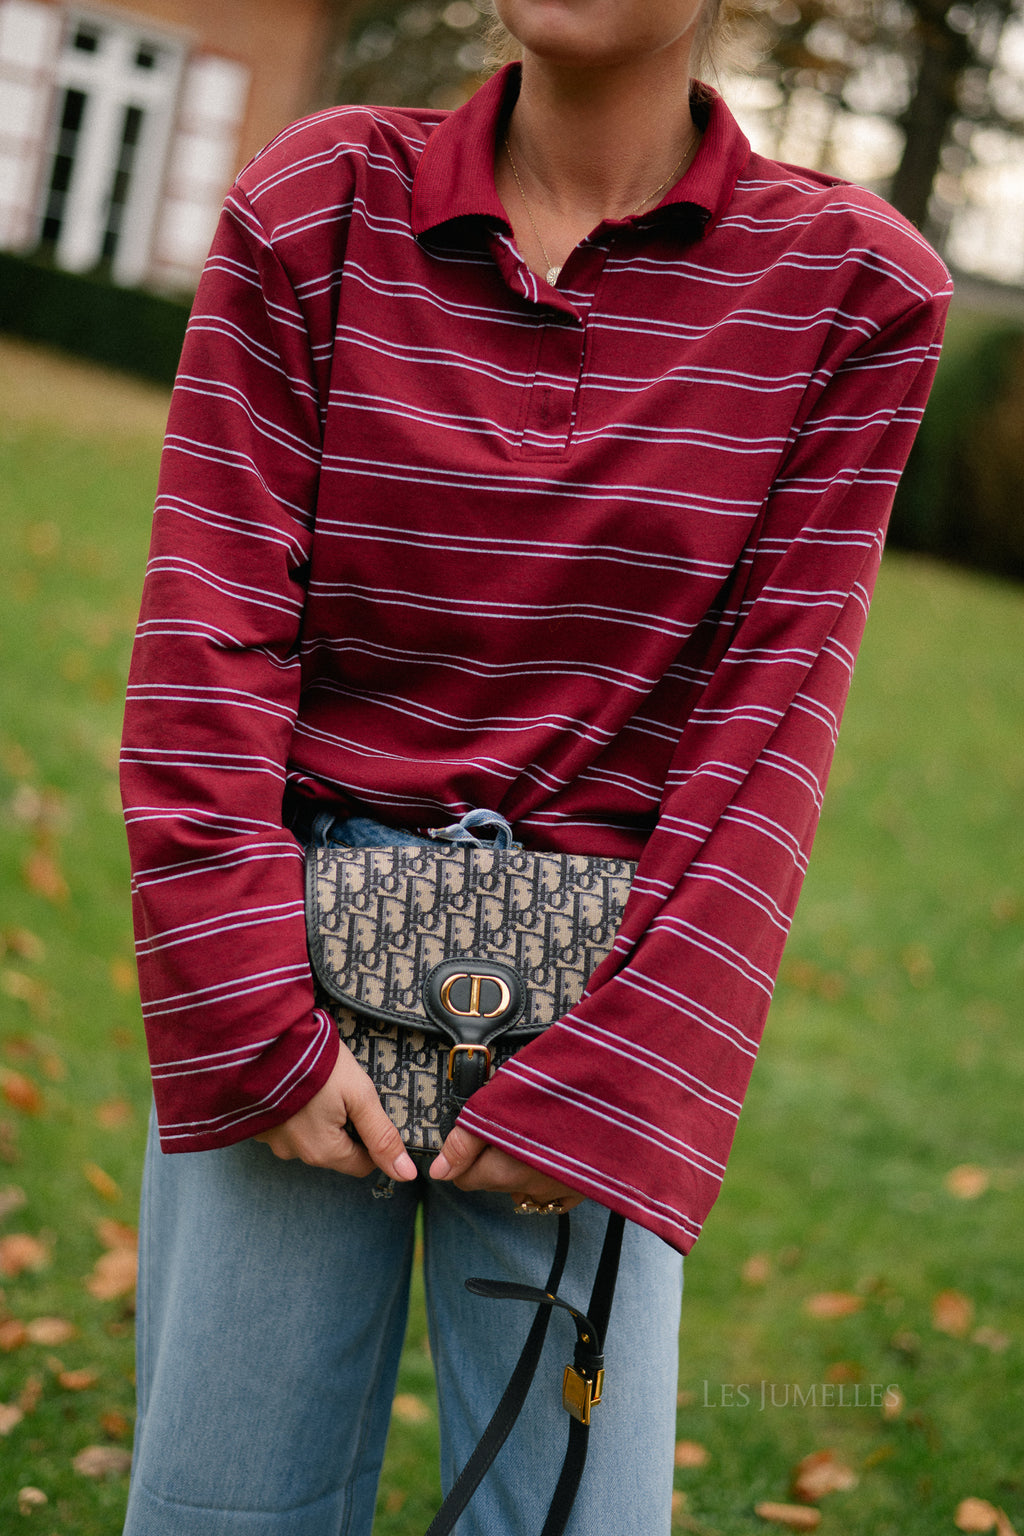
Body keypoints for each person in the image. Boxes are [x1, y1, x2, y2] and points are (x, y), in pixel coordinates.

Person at [118, 1, 952, 1531]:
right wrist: (248, 1013)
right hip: (291, 965)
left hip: (606, 1000)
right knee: (224, 1510)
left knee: (570, 1512)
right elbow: (208, 638)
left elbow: (769, 731)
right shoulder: (315, 206)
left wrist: (622, 1081)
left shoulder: (853, 289)